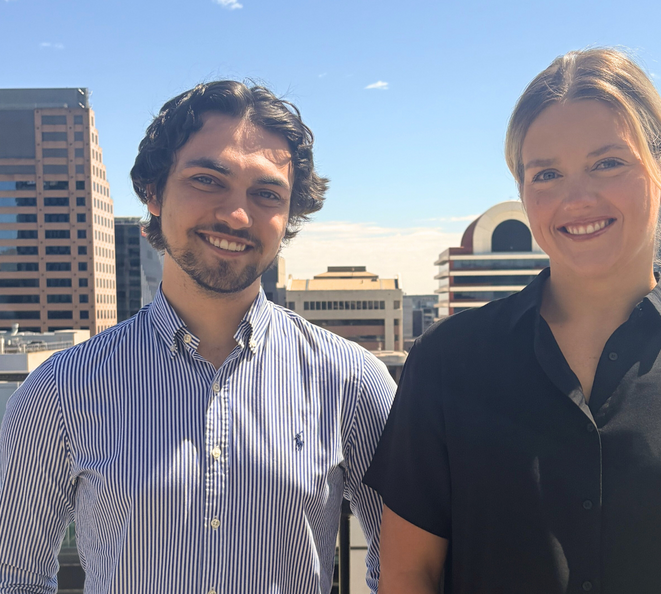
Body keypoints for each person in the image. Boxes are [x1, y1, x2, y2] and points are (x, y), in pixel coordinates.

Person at [363, 48, 661, 594]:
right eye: (547, 174)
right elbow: (408, 572)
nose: (576, 198)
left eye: (608, 163)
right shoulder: (448, 361)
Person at [0, 81, 395, 593]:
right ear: (153, 192)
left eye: (267, 193)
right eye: (207, 180)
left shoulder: (352, 381)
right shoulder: (60, 390)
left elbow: (403, 568)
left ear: (288, 216)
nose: (236, 215)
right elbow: (16, 577)